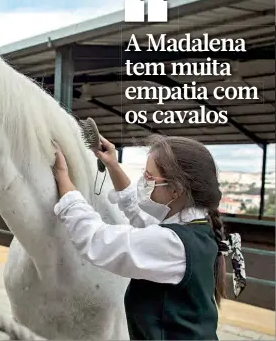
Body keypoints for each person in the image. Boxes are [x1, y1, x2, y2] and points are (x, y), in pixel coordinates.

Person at [52, 134, 245, 340]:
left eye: (149, 177)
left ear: (176, 190)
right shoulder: (194, 227)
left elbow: (96, 239)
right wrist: (113, 166)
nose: (143, 182)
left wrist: (63, 178)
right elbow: (136, 210)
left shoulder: (171, 244)